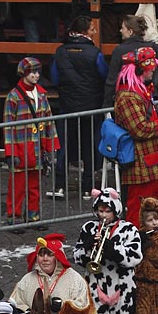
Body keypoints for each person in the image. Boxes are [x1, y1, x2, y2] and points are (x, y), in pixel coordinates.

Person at [48, 16, 107, 199]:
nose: (94, 32)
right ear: (85, 31)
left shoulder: (60, 52)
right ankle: (87, 187)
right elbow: (103, 75)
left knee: (64, 146)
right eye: (91, 29)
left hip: (67, 105)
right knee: (89, 145)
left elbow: (55, 78)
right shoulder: (95, 53)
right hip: (91, 105)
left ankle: (59, 186)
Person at [112, 46, 158, 227]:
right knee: (139, 213)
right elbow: (139, 129)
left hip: (153, 161)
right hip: (140, 166)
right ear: (138, 69)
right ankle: (136, 247)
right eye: (149, 66)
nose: (153, 69)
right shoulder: (127, 97)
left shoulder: (141, 92)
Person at [2, 57, 59, 227]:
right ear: (24, 73)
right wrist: (11, 152)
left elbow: (49, 120)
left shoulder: (41, 94)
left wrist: (50, 146)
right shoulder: (13, 96)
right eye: (32, 72)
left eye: (38, 72)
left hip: (37, 147)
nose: (36, 75)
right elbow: (8, 127)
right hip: (21, 146)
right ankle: (14, 217)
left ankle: (34, 216)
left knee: (35, 186)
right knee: (17, 187)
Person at [104, 14, 158, 107]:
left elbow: (111, 81)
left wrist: (106, 106)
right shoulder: (151, 47)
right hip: (149, 98)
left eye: (123, 28)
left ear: (130, 31)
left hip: (127, 100)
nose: (120, 31)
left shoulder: (119, 51)